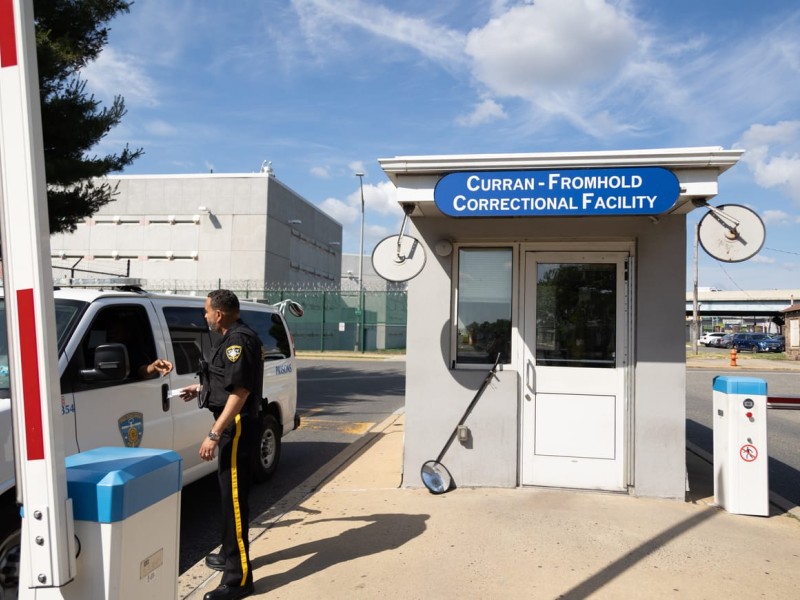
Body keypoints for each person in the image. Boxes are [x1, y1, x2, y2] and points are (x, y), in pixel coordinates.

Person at [181, 289, 262, 600]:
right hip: (232, 424)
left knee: (234, 502)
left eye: (207, 311)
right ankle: (232, 554)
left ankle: (239, 579)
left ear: (220, 313)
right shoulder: (231, 339)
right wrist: (198, 387)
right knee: (228, 497)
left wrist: (214, 434)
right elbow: (224, 380)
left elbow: (240, 393)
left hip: (235, 427)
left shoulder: (239, 341)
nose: (204, 316)